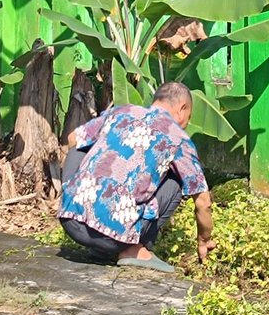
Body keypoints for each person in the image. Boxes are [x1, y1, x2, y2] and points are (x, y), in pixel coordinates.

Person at [58, 81, 216, 273]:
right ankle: (134, 249)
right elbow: (203, 202)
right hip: (114, 239)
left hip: (71, 223)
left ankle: (94, 239)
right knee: (176, 181)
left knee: (81, 145)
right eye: (188, 118)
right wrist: (204, 241)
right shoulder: (178, 139)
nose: (186, 123)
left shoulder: (121, 111)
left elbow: (73, 138)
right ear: (182, 109)